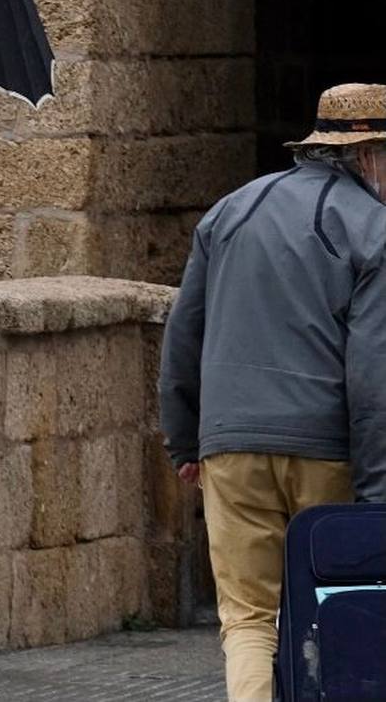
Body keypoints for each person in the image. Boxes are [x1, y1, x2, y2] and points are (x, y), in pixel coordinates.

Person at [159, 82, 386, 701]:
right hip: (326, 448)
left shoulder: (230, 211)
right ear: (368, 156)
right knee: (338, 612)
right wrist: (376, 491)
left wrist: (184, 440)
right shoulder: (375, 228)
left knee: (250, 620)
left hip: (229, 446)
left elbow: (184, 335)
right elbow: (374, 375)